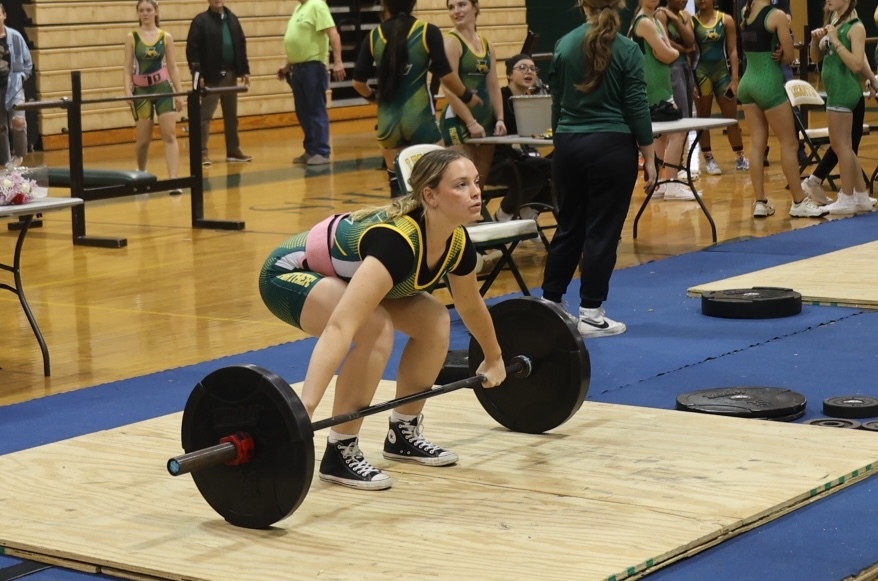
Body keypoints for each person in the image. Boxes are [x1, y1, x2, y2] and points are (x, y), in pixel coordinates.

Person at [259, 148, 506, 490]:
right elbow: (341, 326)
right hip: (287, 275)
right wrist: (305, 407)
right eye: (461, 185)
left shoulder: (456, 241)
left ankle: (403, 432)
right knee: (375, 329)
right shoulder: (398, 242)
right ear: (430, 196)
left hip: (342, 279)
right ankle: (340, 451)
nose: (476, 192)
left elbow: (470, 304)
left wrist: (494, 358)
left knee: (435, 318)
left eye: (475, 182)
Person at [540, 0, 656, 338]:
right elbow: (636, 105)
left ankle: (550, 303)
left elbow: (558, 104)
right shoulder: (628, 48)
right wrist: (649, 156)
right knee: (602, 232)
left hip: (569, 145)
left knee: (568, 227)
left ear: (581, 4)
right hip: (611, 147)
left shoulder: (563, 44)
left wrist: (561, 145)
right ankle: (591, 313)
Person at [351, 0, 483, 197]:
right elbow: (446, 75)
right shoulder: (426, 31)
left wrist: (375, 98)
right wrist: (467, 96)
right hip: (419, 118)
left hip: (388, 122)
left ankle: (402, 227)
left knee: (398, 187)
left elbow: (358, 83)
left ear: (385, 5)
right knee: (438, 181)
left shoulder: (373, 36)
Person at [736, 0, 827, 218]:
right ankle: (798, 201)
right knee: (790, 142)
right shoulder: (776, 15)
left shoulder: (745, 12)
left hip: (747, 83)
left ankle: (760, 202)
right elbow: (788, 56)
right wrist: (782, 49)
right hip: (768, 83)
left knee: (757, 143)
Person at [802, 4, 878, 210]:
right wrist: (815, 41)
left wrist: (835, 40)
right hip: (836, 91)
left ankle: (846, 197)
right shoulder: (834, 20)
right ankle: (861, 195)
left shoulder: (856, 27)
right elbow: (816, 58)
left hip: (844, 92)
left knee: (841, 146)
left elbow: (856, 64)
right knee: (846, 147)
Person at [440, 0, 506, 188]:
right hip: (459, 121)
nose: (456, 11)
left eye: (462, 5)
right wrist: (470, 121)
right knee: (462, 186)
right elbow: (448, 88)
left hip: (485, 121)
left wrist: (500, 118)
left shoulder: (487, 44)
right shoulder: (452, 42)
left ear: (475, 7)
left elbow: (493, 85)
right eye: (451, 7)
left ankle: (478, 219)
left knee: (478, 187)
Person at [631, 0, 693, 201]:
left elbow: (667, 51)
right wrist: (671, 51)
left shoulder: (655, 19)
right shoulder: (644, 22)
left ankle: (657, 184)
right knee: (678, 132)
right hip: (652, 87)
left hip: (662, 85)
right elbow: (668, 53)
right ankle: (672, 183)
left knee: (661, 137)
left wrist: (668, 51)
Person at [123, 0, 185, 195]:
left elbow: (173, 67)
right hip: (141, 92)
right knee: (143, 139)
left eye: (149, 10)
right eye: (141, 10)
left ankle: (173, 180)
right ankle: (141, 173)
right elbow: (127, 68)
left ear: (156, 11)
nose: (145, 13)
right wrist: (127, 91)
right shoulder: (132, 38)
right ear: (137, 13)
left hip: (163, 89)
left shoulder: (165, 37)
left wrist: (179, 92)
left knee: (169, 135)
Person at [279, 0, 345, 166]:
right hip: (298, 69)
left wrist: (338, 62)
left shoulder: (317, 5)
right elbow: (297, 40)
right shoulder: (299, 9)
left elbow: (333, 34)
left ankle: (322, 151)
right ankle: (310, 150)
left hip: (313, 67)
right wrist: (287, 65)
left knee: (316, 109)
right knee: (303, 111)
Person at [186, 0, 252, 167]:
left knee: (231, 115)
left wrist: (244, 70)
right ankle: (201, 152)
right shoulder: (200, 21)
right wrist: (197, 74)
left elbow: (241, 44)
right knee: (205, 116)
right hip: (211, 76)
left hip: (231, 75)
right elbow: (192, 50)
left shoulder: (233, 19)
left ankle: (233, 150)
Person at [490, 54, 554, 222]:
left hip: (513, 155)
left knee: (559, 169)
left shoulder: (532, 102)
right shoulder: (500, 98)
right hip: (494, 160)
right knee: (533, 176)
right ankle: (504, 214)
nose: (529, 72)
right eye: (523, 68)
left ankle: (529, 208)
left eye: (533, 69)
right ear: (510, 75)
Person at [691, 0, 748, 174]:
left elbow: (733, 50)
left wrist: (735, 79)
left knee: (731, 118)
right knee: (703, 119)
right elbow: (689, 53)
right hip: (701, 75)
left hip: (722, 74)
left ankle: (740, 156)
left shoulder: (726, 20)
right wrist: (691, 81)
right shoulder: (692, 22)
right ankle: (709, 159)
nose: (701, 1)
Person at [0, 2, 32, 168]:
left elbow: (28, 62)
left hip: (14, 86)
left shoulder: (15, 36)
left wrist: (21, 77)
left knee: (18, 120)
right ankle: (5, 162)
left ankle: (19, 156)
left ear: (4, 15)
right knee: (1, 127)